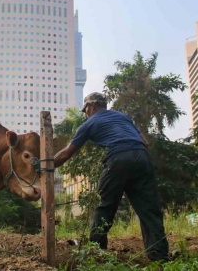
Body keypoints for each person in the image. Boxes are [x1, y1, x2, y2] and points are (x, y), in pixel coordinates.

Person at [53, 92, 170, 262]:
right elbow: (144, 142)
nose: (86, 114)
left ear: (91, 107)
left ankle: (96, 253)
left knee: (105, 206)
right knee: (149, 210)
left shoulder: (89, 123)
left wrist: (45, 166)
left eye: (86, 110)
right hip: (142, 157)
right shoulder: (123, 117)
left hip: (118, 159)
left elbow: (65, 154)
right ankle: (160, 258)